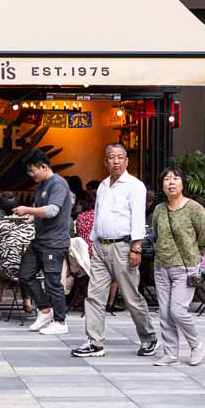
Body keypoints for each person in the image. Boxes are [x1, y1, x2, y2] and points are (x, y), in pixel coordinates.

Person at [72, 144, 157, 358]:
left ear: (127, 161)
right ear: (105, 162)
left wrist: (136, 248)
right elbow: (99, 216)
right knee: (94, 296)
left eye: (120, 157)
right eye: (111, 157)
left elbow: (138, 217)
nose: (116, 161)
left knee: (131, 296)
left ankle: (149, 337)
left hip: (123, 246)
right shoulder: (102, 186)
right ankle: (95, 342)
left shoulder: (135, 186)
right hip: (101, 246)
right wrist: (93, 244)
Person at [150, 166, 205, 366]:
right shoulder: (159, 209)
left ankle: (196, 345)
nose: (171, 182)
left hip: (185, 268)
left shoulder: (194, 208)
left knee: (178, 311)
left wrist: (195, 258)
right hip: (161, 267)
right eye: (167, 179)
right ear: (163, 185)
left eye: (175, 178)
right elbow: (156, 236)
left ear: (183, 183)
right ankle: (170, 353)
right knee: (165, 313)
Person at [13, 150, 72, 335]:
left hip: (54, 242)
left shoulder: (58, 184)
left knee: (52, 281)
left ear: (44, 167)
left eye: (32, 171)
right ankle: (45, 310)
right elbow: (43, 212)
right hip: (40, 240)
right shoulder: (41, 185)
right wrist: (32, 218)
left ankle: (61, 322)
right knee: (24, 275)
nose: (30, 175)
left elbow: (53, 210)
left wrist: (27, 210)